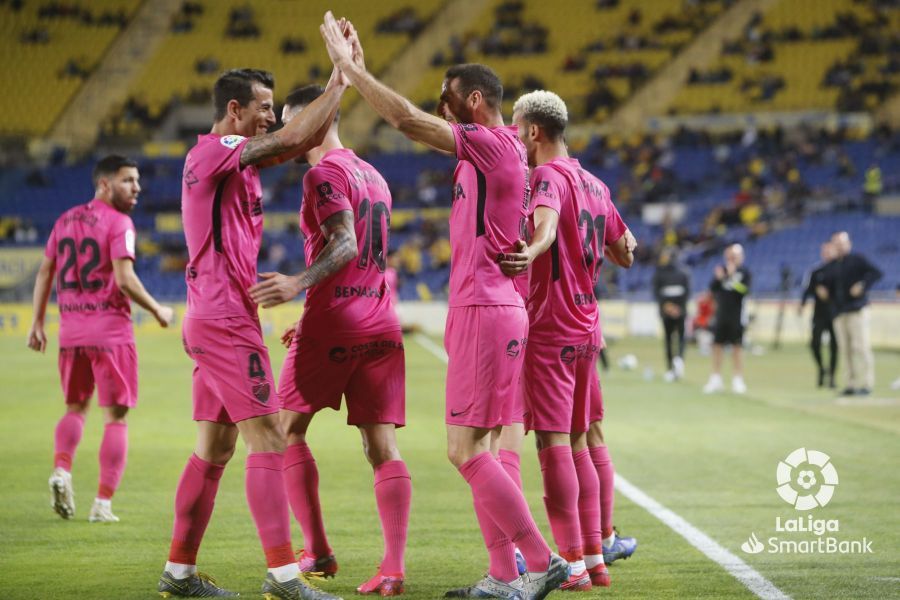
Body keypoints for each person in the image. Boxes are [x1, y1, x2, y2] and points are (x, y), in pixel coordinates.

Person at [320, 14, 567, 600]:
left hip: (484, 308)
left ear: (473, 100)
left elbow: (406, 120)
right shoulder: (501, 156)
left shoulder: (490, 145)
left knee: (461, 450)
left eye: (447, 99)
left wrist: (353, 72)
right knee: (486, 447)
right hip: (497, 307)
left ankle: (539, 559)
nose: (441, 107)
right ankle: (504, 575)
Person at [158, 67, 347, 599]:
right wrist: (341, 79)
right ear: (235, 111)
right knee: (268, 438)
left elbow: (296, 139)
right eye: (264, 105)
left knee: (215, 449)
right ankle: (286, 575)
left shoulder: (239, 163)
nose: (273, 114)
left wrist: (339, 85)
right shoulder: (214, 150)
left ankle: (178, 573)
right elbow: (292, 136)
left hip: (219, 315)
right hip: (224, 320)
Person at [248, 83, 411, 597]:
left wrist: (298, 286)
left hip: (334, 323)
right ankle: (393, 569)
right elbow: (368, 256)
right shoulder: (375, 174)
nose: (285, 135)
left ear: (318, 119)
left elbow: (345, 243)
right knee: (383, 448)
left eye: (292, 123)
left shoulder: (322, 173)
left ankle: (316, 550)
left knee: (283, 430)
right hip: (380, 322)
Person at [500, 90, 637, 590]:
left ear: (533, 131)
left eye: (516, 128)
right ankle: (596, 556)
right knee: (582, 439)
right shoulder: (595, 183)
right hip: (587, 326)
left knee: (554, 442)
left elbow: (548, 227)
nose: (513, 138)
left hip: (552, 325)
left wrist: (532, 249)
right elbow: (625, 250)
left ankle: (574, 564)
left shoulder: (545, 177)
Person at [28, 155, 174, 524]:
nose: (137, 187)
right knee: (116, 418)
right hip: (110, 332)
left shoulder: (64, 220)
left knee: (75, 408)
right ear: (105, 184)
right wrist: (158, 310)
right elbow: (125, 279)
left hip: (71, 333)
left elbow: (45, 272)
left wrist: (37, 322)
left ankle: (62, 470)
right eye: (128, 180)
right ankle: (102, 504)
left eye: (137, 180)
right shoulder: (119, 222)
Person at [820, 231, 882, 396]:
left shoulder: (857, 260)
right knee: (845, 350)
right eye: (836, 243)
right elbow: (824, 285)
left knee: (861, 347)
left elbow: (877, 273)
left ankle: (866, 384)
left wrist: (862, 285)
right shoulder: (832, 266)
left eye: (842, 243)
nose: (839, 246)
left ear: (848, 244)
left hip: (857, 311)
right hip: (839, 313)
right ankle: (850, 384)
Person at [703, 244, 751, 394]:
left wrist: (731, 277)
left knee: (737, 347)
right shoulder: (721, 271)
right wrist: (720, 278)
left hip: (737, 316)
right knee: (717, 346)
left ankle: (737, 379)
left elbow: (744, 291)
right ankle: (716, 378)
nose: (731, 259)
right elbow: (712, 289)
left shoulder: (745, 273)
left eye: (734, 256)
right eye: (729, 256)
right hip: (721, 315)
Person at [799, 242, 838, 388]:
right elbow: (807, 290)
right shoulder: (816, 271)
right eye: (825, 251)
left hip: (835, 314)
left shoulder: (839, 270)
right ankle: (822, 368)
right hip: (819, 314)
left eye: (829, 251)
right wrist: (802, 304)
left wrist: (830, 295)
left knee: (835, 346)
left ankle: (832, 376)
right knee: (815, 344)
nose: (827, 254)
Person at [652, 247, 690, 382]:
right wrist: (678, 308)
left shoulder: (660, 272)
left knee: (669, 339)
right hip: (678, 310)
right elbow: (687, 293)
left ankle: (671, 368)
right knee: (680, 338)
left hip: (669, 310)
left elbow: (656, 292)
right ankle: (678, 360)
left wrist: (667, 306)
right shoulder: (685, 272)